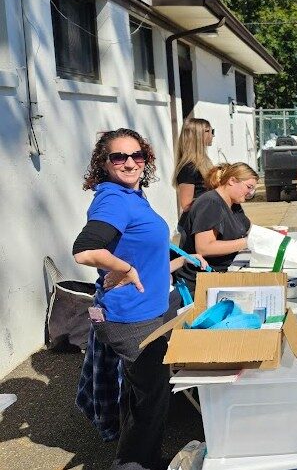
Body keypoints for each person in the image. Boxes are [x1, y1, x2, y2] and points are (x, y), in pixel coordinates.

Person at [72, 128, 207, 470]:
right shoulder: (114, 199)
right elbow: (86, 250)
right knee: (152, 401)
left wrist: (178, 262)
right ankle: (133, 464)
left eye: (137, 155)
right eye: (119, 157)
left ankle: (141, 459)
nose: (130, 162)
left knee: (144, 395)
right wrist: (126, 268)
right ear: (104, 163)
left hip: (148, 310)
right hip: (131, 318)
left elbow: (141, 249)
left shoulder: (132, 194)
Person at [176, 163, 257, 286]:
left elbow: (249, 229)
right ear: (232, 180)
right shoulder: (211, 203)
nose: (250, 193)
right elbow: (204, 248)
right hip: (202, 282)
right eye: (249, 187)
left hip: (226, 272)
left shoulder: (233, 204)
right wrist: (247, 242)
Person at [173, 117, 214, 214]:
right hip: (203, 222)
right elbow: (186, 205)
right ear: (198, 135)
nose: (212, 135)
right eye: (209, 131)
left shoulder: (203, 163)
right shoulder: (188, 168)